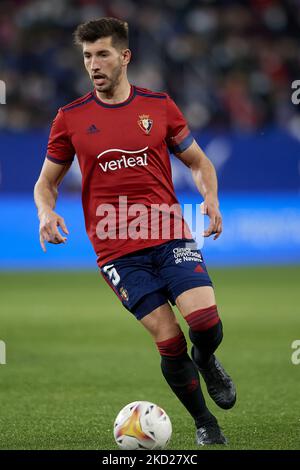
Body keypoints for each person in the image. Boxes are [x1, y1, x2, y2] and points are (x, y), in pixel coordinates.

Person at [34, 17, 236, 446]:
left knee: (204, 321)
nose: (94, 64)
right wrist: (44, 213)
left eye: (102, 54)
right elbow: (46, 182)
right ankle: (205, 423)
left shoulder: (159, 106)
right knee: (168, 339)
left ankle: (207, 356)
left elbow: (199, 162)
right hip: (117, 251)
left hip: (168, 232)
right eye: (87, 56)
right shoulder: (70, 118)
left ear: (125, 57)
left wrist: (211, 200)